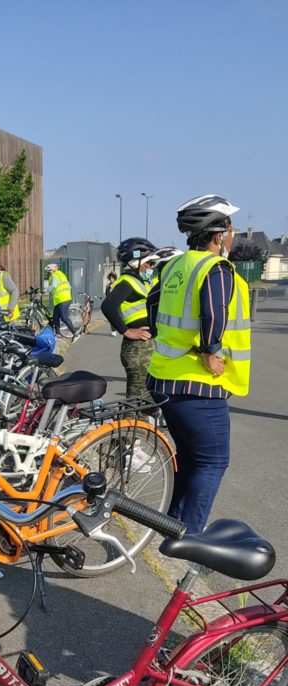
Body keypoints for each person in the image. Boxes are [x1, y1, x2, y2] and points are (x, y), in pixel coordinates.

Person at [146, 194, 251, 534]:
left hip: (164, 377)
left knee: (191, 458)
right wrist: (210, 350)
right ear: (218, 233)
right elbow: (214, 309)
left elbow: (152, 300)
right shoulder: (215, 267)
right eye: (230, 228)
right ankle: (188, 537)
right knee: (213, 461)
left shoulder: (174, 265)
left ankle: (173, 526)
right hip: (198, 383)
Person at [100, 237, 158, 399]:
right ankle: (131, 425)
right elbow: (108, 305)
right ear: (135, 263)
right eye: (149, 263)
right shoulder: (127, 282)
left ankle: (140, 424)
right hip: (137, 348)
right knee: (137, 401)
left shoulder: (142, 281)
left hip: (145, 348)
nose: (151, 267)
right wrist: (127, 332)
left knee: (146, 400)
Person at [44, 263, 78, 339]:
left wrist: (46, 290)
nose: (48, 273)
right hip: (63, 299)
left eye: (48, 271)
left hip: (62, 299)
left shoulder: (54, 276)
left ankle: (75, 333)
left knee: (64, 318)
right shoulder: (62, 274)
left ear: (52, 270)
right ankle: (58, 334)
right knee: (55, 317)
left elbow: (54, 285)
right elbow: (69, 286)